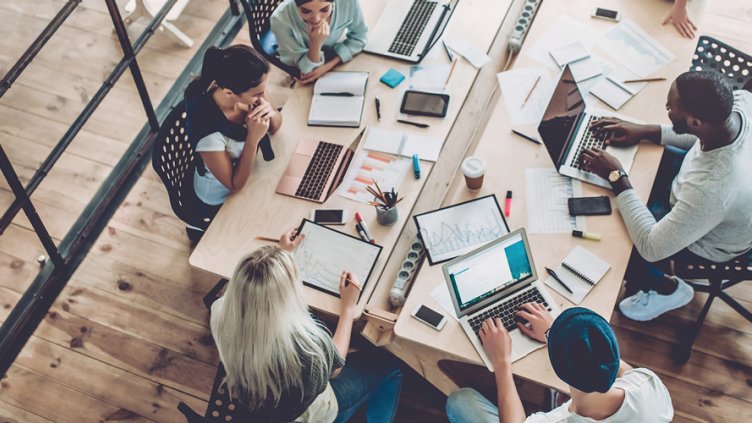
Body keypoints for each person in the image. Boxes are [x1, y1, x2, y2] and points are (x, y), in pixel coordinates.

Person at [579, 71, 752, 321]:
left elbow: (652, 247)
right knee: (639, 180)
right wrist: (645, 131)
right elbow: (699, 138)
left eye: (671, 107)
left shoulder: (714, 187)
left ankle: (667, 288)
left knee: (620, 242)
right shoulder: (741, 103)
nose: (666, 108)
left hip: (710, 241)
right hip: (700, 191)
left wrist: (616, 176)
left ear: (695, 123)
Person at [209, 228, 403, 423]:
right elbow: (335, 368)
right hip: (312, 414)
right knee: (391, 365)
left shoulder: (219, 311)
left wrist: (278, 254)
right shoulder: (305, 348)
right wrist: (348, 309)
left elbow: (254, 292)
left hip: (256, 398)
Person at [445, 305, 674, 423]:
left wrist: (501, 360)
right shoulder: (648, 385)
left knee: (460, 401)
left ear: (559, 370)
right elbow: (609, 360)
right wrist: (554, 333)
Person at [183, 45, 282, 239]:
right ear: (229, 93)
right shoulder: (209, 134)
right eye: (258, 94)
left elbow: (276, 126)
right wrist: (253, 138)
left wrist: (269, 110)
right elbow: (234, 184)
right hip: (221, 197)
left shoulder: (251, 89)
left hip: (249, 171)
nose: (263, 96)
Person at [271, 0, 368, 85]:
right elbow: (307, 70)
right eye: (306, 11)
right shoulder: (280, 20)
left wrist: (328, 66)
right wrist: (315, 44)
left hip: (332, 61)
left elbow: (360, 36)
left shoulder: (348, 2)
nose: (316, 19)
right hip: (304, 64)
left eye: (325, 9)